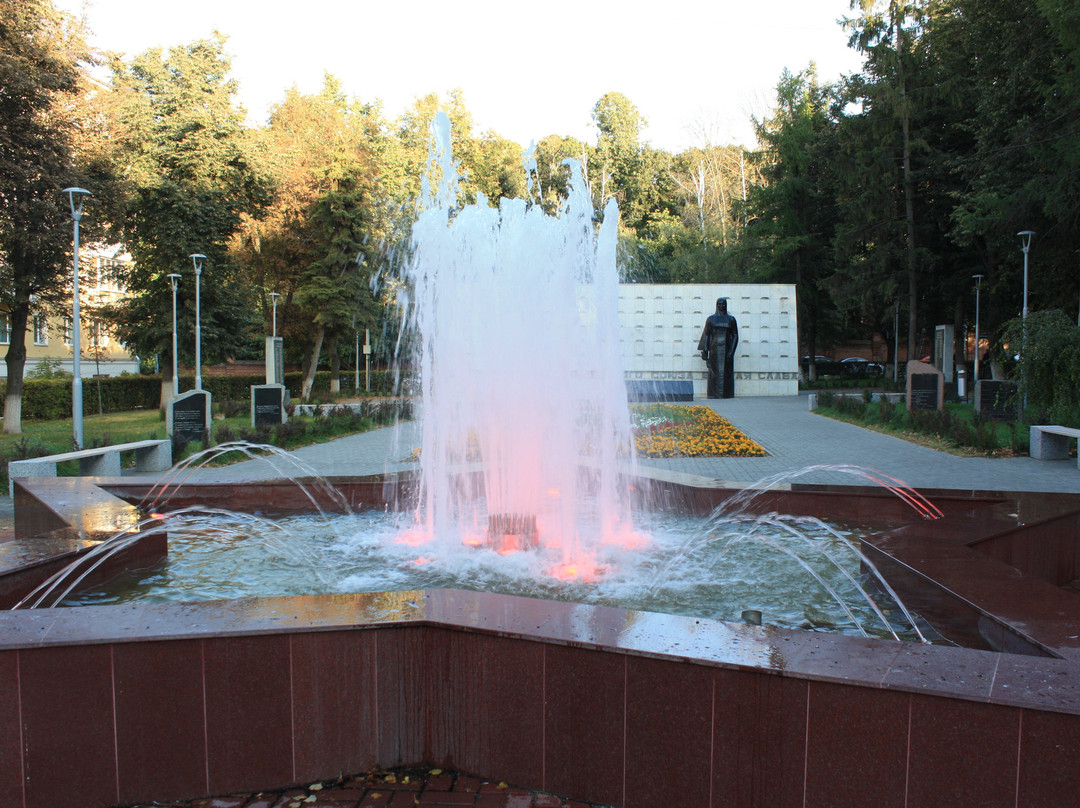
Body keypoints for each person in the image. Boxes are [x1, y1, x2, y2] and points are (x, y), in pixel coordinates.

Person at [697, 297, 739, 398]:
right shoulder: (711, 319)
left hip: (727, 350)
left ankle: (726, 394)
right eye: (719, 304)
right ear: (717, 305)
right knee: (714, 373)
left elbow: (735, 335)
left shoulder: (731, 319)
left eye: (723, 304)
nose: (721, 306)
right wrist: (705, 350)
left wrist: (731, 352)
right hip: (714, 349)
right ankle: (713, 395)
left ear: (726, 305)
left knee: (726, 373)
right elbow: (706, 334)